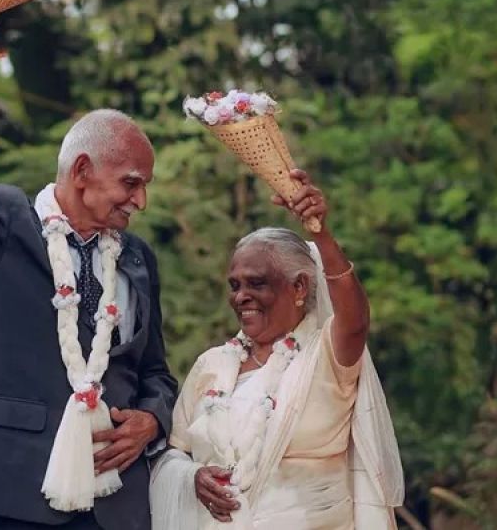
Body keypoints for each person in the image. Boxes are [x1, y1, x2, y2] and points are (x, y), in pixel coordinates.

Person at [0, 0, 177, 530]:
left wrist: (151, 419)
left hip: (116, 498)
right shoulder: (4, 223)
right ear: (81, 171)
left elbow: (155, 373)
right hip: (17, 486)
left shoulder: (138, 258)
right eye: (130, 183)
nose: (139, 202)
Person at [149, 170, 404, 529]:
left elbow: (356, 320)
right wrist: (192, 478)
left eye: (257, 284)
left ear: (299, 287)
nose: (241, 296)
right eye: (234, 285)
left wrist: (320, 232)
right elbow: (173, 453)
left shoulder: (325, 357)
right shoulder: (212, 365)